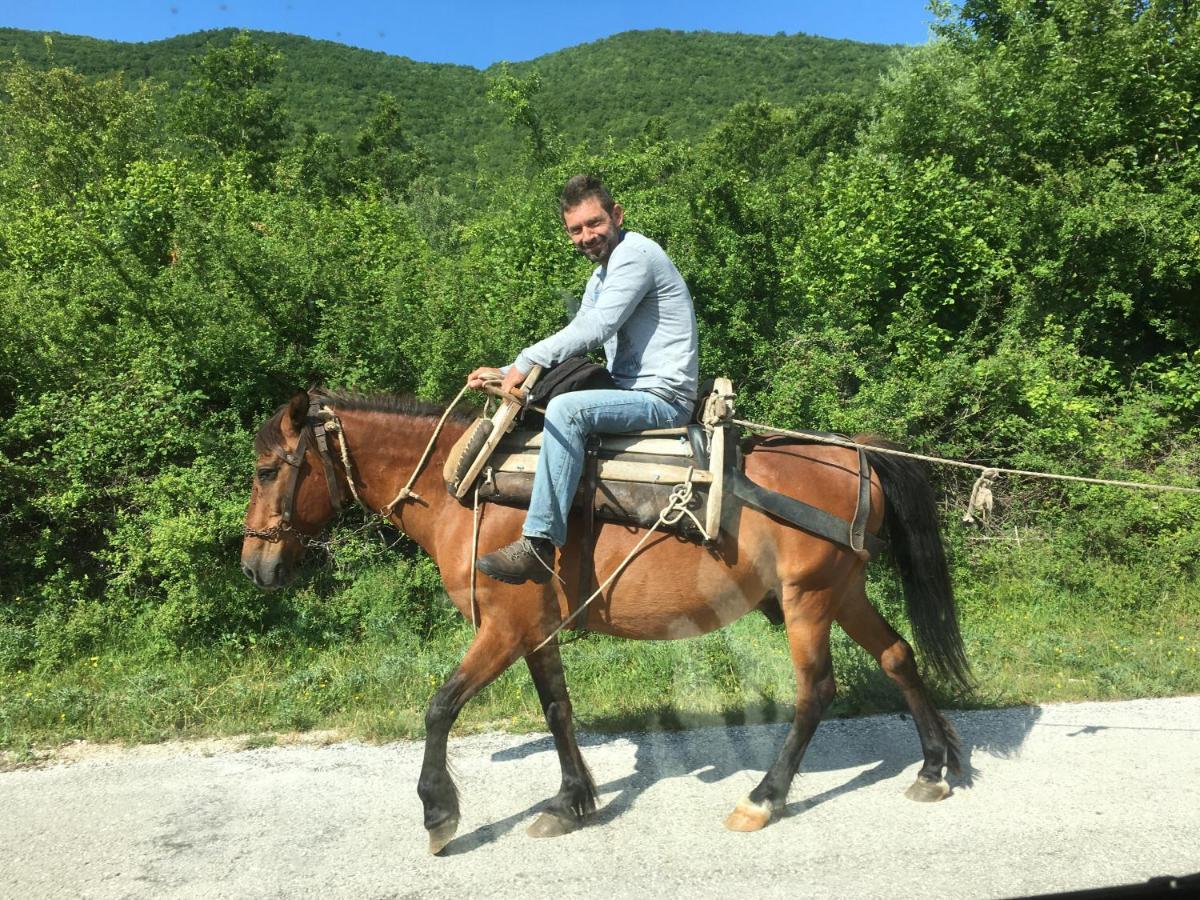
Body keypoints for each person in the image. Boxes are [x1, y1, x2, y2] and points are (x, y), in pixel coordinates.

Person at [467, 174, 699, 584]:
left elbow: (598, 327)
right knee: (549, 397)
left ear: (617, 214)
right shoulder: (600, 276)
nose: (587, 236)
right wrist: (505, 372)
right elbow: (578, 339)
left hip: (662, 397)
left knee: (566, 410)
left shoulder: (635, 255)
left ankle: (537, 545)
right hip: (629, 390)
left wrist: (525, 359)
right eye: (576, 229)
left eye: (595, 223)